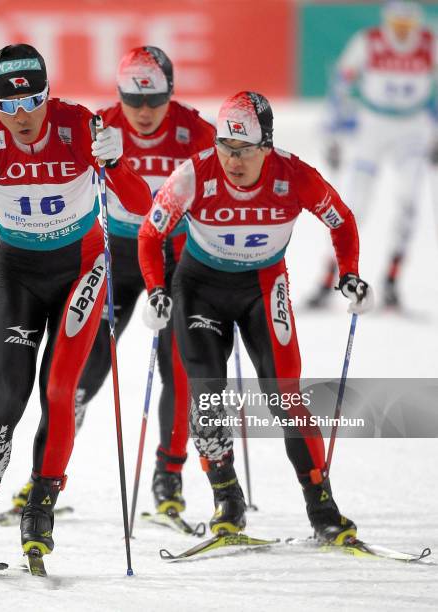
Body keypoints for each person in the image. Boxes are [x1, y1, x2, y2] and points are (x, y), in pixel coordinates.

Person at [0, 43, 151, 566]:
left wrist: (115, 161)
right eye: (7, 105)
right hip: (17, 274)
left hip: (83, 268)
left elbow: (141, 205)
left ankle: (41, 507)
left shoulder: (79, 125)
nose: (21, 116)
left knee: (60, 390)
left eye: (31, 101)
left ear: (46, 93)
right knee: (9, 396)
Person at [138, 91, 374, 542]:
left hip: (263, 288)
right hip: (200, 290)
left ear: (266, 146)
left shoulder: (295, 174)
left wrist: (348, 275)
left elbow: (341, 220)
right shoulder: (193, 173)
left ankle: (322, 509)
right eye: (226, 147)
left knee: (286, 396)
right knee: (206, 395)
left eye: (245, 151)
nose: (233, 160)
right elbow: (151, 233)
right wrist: (155, 289)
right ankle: (227, 501)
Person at [11, 46, 216, 519]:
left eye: (155, 101)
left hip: (178, 255)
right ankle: (43, 478)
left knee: (178, 367)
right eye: (132, 99)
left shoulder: (196, 131)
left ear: (172, 93)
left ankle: (169, 478)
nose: (144, 112)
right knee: (85, 370)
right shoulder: (100, 125)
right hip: (118, 253)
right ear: (118, 94)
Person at [308, 0, 438, 309]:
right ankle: (330, 278)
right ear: (387, 22)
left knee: (408, 201)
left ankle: (392, 280)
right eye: (397, 25)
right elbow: (340, 82)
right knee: (354, 206)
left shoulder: (429, 43)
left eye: (408, 26)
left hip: (413, 127)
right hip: (373, 125)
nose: (403, 33)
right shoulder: (369, 42)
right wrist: (333, 133)